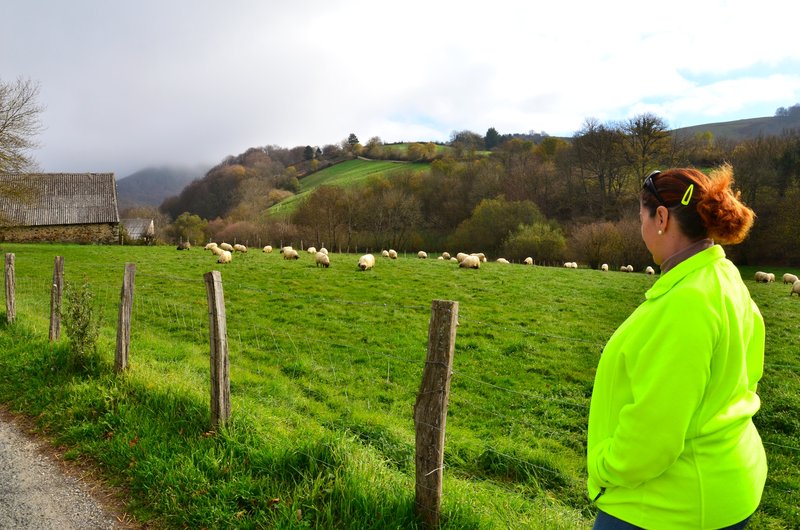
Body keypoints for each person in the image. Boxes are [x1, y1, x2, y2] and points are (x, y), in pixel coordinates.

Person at [586, 164, 767, 529]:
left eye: (642, 217)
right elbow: (748, 376)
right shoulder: (725, 277)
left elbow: (656, 436)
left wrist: (604, 467)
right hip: (726, 482)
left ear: (662, 218)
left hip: (669, 506)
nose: (640, 228)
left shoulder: (688, 302)